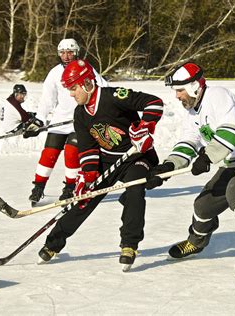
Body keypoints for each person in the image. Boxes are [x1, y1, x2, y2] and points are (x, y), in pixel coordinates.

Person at [146, 62, 235, 279]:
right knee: (203, 204)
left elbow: (231, 132)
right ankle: (196, 243)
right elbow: (188, 142)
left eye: (180, 90)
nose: (177, 96)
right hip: (233, 162)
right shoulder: (192, 112)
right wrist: (167, 168)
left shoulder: (218, 96)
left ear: (194, 87)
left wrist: (207, 157)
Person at [38, 59, 164, 271]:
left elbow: (155, 103)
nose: (71, 94)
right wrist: (86, 177)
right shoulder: (80, 114)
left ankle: (129, 245)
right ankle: (53, 243)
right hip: (106, 159)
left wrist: (145, 127)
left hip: (135, 156)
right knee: (84, 199)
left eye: (73, 88)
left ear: (87, 83)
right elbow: (88, 149)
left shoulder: (113, 97)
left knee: (135, 188)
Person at [26, 38, 108, 205]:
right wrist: (40, 120)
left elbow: (103, 88)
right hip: (60, 121)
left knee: (71, 153)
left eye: (69, 52)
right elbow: (47, 100)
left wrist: (96, 111)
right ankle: (38, 187)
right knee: (49, 153)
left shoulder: (86, 69)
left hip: (79, 121)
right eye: (62, 53)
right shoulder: (54, 73)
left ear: (76, 52)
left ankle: (70, 188)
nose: (66, 56)